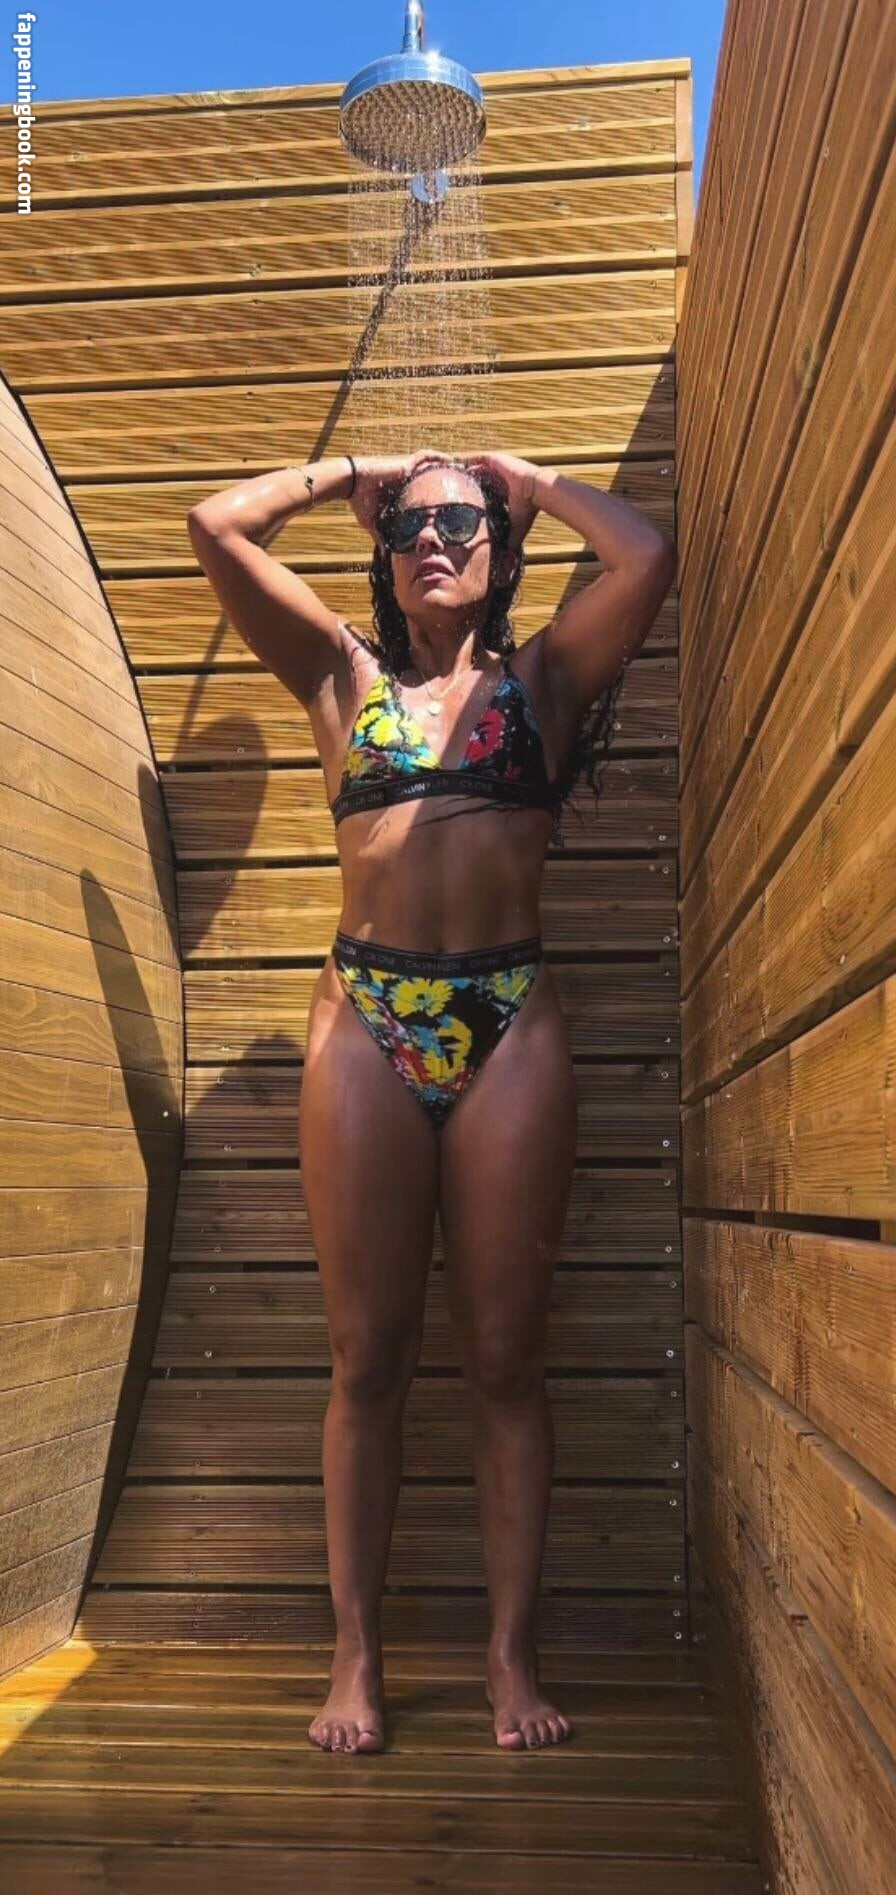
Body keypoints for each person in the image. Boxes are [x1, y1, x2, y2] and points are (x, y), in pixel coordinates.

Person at [187, 447, 675, 1756]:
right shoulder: (341, 677)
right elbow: (217, 524)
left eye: (461, 520)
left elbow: (644, 555)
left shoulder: (544, 682)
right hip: (369, 1015)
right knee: (368, 1356)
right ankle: (355, 1656)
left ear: (499, 548)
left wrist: (530, 479)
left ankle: (511, 1655)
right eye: (411, 524)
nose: (434, 538)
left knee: (507, 1356)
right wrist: (357, 470)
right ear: (384, 550)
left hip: (507, 1014)